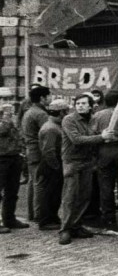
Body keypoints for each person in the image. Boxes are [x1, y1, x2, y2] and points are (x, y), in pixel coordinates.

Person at [59, 94, 106, 246]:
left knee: (84, 195)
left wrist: (102, 136)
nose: (80, 106)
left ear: (91, 106)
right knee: (70, 197)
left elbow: (92, 136)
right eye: (78, 103)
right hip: (72, 162)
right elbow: (76, 140)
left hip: (86, 162)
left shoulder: (92, 119)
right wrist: (101, 137)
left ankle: (76, 226)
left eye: (83, 103)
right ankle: (65, 229)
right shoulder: (69, 120)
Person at [92, 88, 118, 229]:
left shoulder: (98, 116)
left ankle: (109, 218)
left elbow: (94, 133)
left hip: (104, 150)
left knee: (106, 185)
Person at [36, 98, 68, 231]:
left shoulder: (54, 126)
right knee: (49, 193)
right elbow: (48, 151)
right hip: (50, 165)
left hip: (53, 164)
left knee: (54, 194)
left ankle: (52, 217)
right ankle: (45, 220)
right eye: (65, 111)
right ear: (60, 112)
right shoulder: (50, 128)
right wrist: (56, 167)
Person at [21, 85, 50, 223]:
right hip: (38, 151)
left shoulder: (29, 111)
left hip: (30, 150)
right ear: (43, 98)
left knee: (34, 182)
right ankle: (40, 215)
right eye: (48, 96)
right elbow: (47, 133)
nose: (50, 98)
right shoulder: (41, 114)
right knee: (40, 184)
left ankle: (32, 214)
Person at [0, 103, 25, 233]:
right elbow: (2, 130)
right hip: (1, 158)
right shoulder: (6, 119)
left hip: (13, 156)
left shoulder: (10, 119)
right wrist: (7, 117)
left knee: (12, 191)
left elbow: (18, 134)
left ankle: (9, 218)